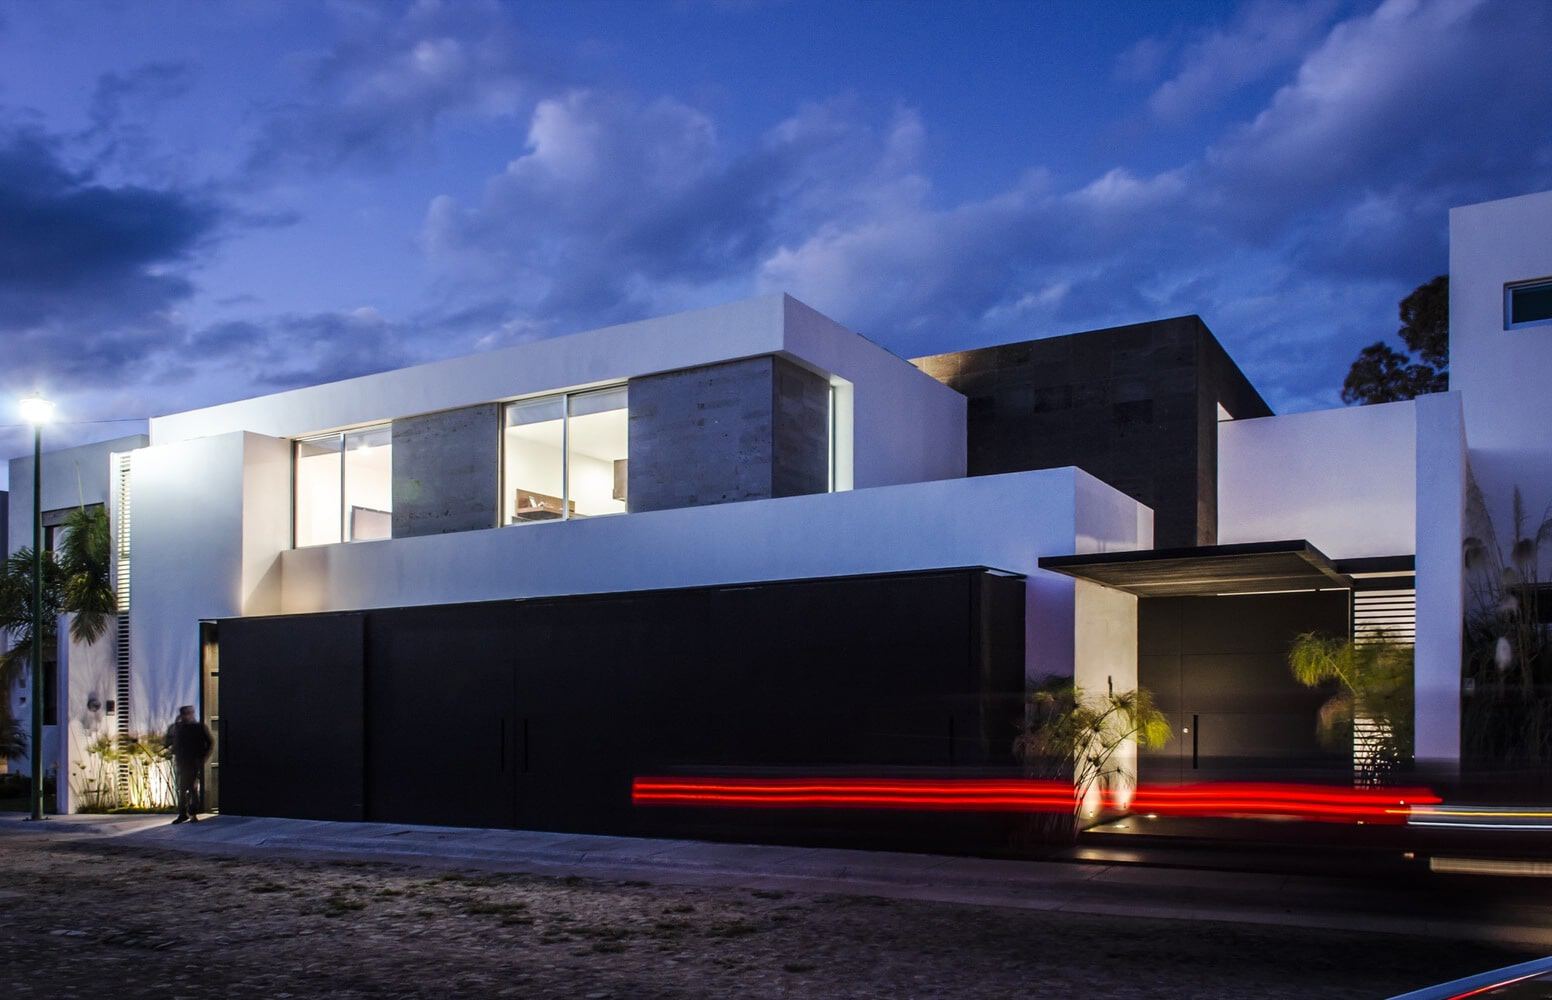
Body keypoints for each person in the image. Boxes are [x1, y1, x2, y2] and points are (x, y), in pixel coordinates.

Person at [166, 705, 213, 824]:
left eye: (190, 713)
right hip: (181, 762)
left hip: (193, 762)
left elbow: (209, 742)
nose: (188, 716)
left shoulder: (198, 727)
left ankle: (189, 813)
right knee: (185, 789)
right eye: (185, 714)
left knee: (188, 788)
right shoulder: (177, 727)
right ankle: (187, 813)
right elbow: (170, 741)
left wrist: (202, 757)